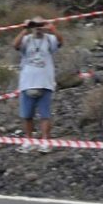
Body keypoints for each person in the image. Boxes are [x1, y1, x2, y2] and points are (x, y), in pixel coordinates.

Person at [13, 17, 62, 154]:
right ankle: (29, 141)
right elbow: (15, 45)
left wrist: (52, 29)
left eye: (40, 24)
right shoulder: (26, 39)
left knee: (45, 115)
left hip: (45, 83)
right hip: (27, 83)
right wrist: (24, 29)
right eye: (35, 25)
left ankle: (46, 142)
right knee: (26, 115)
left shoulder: (49, 39)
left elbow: (60, 41)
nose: (38, 27)